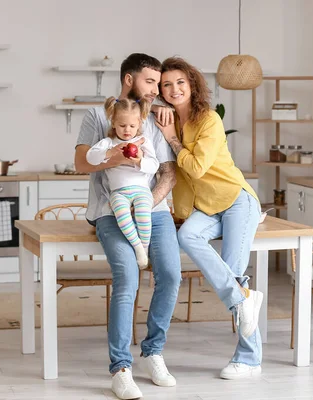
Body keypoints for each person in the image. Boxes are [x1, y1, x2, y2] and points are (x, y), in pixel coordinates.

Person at [75, 53, 181, 400]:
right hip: (111, 209)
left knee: (170, 274)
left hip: (153, 208)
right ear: (128, 80)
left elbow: (168, 171)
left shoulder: (155, 117)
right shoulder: (96, 115)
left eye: (159, 83)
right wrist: (116, 156)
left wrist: (148, 205)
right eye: (150, 82)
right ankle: (121, 368)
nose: (156, 89)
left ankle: (152, 352)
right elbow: (80, 163)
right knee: (128, 278)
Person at [155, 56, 264, 380]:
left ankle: (249, 358)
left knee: (233, 272)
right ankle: (245, 302)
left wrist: (173, 138)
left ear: (192, 85)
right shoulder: (167, 117)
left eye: (180, 83)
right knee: (186, 236)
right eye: (166, 84)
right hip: (205, 206)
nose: (174, 89)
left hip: (235, 200)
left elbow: (197, 168)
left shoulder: (209, 120)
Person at [86, 96, 159, 268]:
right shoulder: (108, 143)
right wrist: (110, 153)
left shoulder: (142, 142)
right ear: (113, 123)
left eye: (132, 126)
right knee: (121, 215)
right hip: (118, 192)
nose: (127, 130)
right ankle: (138, 248)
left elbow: (154, 165)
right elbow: (90, 158)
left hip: (141, 190)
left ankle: (145, 247)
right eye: (122, 125)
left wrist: (140, 160)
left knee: (143, 214)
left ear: (139, 124)